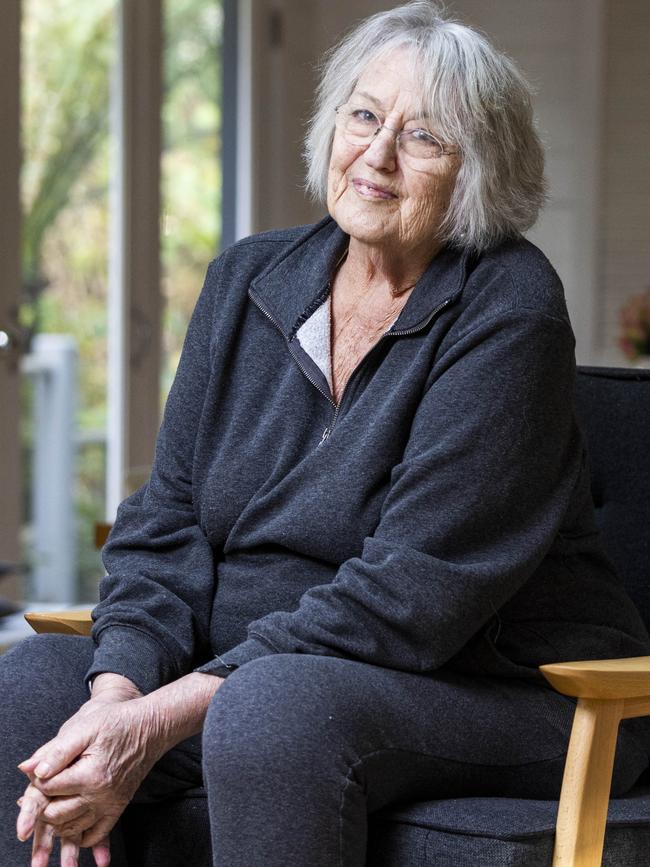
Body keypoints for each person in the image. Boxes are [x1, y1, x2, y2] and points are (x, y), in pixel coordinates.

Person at [3, 2, 650, 865]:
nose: (378, 154)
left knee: (274, 713)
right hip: (259, 671)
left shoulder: (510, 309)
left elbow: (409, 597)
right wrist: (117, 688)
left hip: (500, 685)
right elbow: (166, 525)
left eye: (424, 136)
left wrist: (160, 715)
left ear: (478, 171)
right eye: (364, 115)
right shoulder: (248, 279)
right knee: (31, 686)